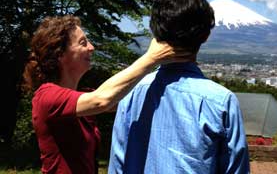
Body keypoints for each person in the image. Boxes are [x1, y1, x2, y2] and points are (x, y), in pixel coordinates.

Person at [23, 15, 192, 174]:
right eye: (83, 43)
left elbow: (126, 99)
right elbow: (102, 100)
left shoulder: (82, 98)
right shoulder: (46, 97)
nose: (91, 47)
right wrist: (152, 58)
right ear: (60, 54)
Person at [108, 0, 250, 173]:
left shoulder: (131, 92)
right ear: (206, 36)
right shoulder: (221, 101)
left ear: (155, 33)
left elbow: (117, 164)